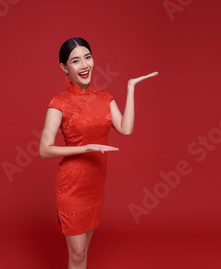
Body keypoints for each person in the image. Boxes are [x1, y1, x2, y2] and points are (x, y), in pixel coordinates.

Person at [39, 37, 158, 269]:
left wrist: (130, 88)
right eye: (75, 61)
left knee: (84, 252)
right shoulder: (59, 103)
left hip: (94, 186)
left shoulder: (104, 97)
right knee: (78, 253)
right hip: (71, 187)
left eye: (88, 57)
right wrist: (85, 148)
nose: (84, 65)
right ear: (64, 67)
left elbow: (125, 128)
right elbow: (44, 150)